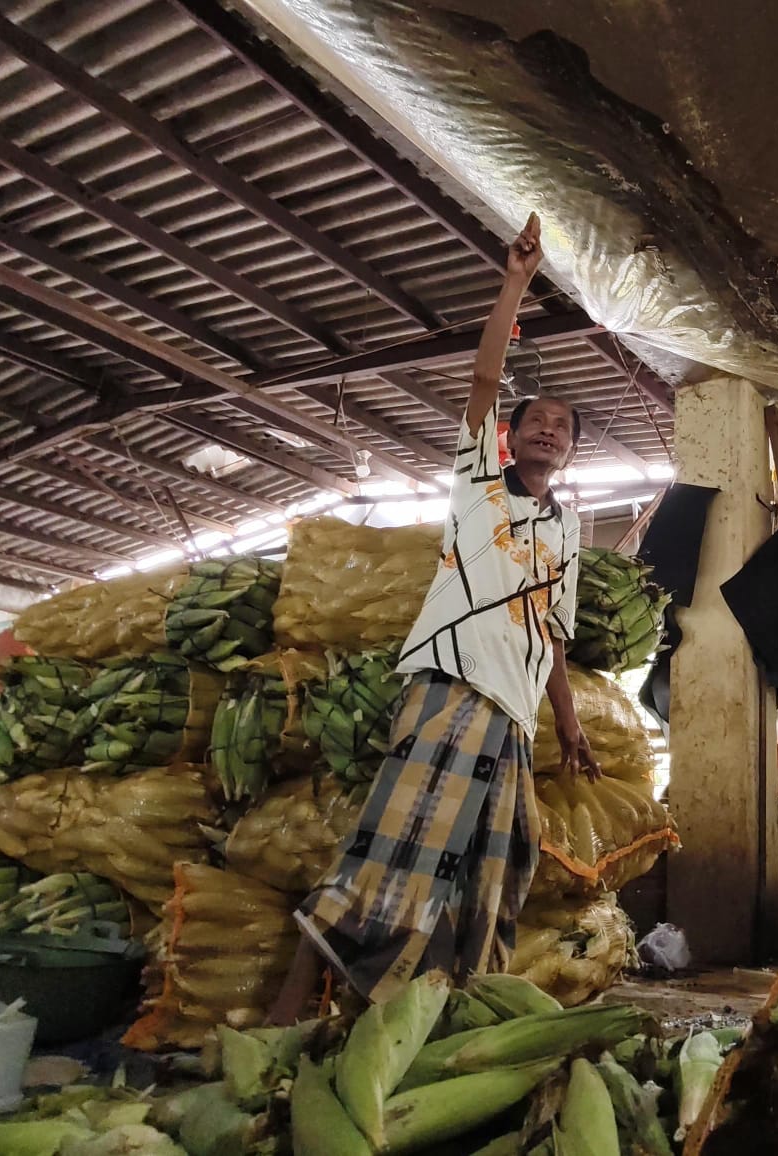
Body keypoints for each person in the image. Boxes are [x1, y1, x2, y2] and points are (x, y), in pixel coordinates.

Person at [270, 213, 600, 1023]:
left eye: (563, 425)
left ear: (571, 451)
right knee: (393, 858)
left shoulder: (567, 528)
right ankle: (289, 1015)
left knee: (495, 871)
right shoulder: (478, 487)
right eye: (536, 420)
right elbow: (485, 383)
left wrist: (569, 722)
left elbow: (553, 633)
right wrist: (513, 283)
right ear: (509, 437)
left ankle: (439, 1021)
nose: (548, 428)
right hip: (452, 689)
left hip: (514, 721)